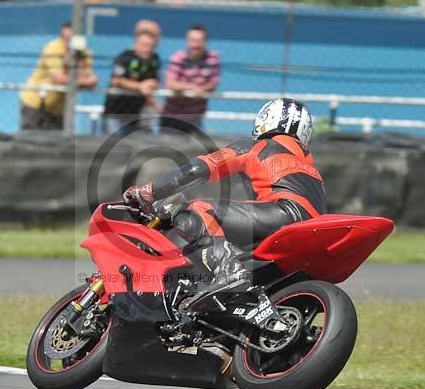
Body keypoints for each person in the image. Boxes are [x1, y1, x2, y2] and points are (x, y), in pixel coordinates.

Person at [123, 98, 325, 289]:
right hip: (312, 233)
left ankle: (229, 271)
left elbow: (198, 169)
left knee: (197, 209)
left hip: (281, 216)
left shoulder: (257, 146)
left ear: (266, 120)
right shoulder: (312, 170)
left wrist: (149, 191)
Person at [19, 21, 97, 130]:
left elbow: (92, 82)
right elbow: (58, 79)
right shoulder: (53, 48)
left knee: (56, 144)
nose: (68, 43)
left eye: (71, 39)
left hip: (60, 109)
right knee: (30, 141)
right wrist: (83, 81)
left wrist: (77, 57)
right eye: (65, 38)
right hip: (36, 104)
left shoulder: (84, 53)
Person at [161, 24, 220, 134]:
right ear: (187, 41)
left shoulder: (212, 58)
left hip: (195, 117)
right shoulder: (178, 58)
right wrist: (192, 88)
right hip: (172, 116)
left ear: (205, 42)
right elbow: (170, 83)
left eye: (199, 41)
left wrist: (202, 90)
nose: (195, 45)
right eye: (192, 40)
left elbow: (213, 83)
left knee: (198, 149)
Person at [102, 30, 160, 136]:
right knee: (113, 148)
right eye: (144, 45)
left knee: (132, 148)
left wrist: (150, 84)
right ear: (136, 44)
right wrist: (139, 86)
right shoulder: (125, 57)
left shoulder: (154, 59)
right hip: (116, 113)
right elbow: (115, 80)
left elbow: (155, 80)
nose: (147, 49)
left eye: (151, 46)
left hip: (135, 114)